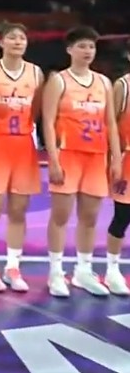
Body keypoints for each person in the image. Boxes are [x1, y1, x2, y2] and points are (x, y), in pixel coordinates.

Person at [42, 26, 121, 298]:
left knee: (89, 218)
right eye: (82, 46)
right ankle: (55, 272)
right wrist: (53, 159)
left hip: (96, 157)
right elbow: (48, 123)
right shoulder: (59, 81)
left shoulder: (104, 82)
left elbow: (110, 123)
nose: (88, 51)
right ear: (70, 49)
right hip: (68, 154)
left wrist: (116, 158)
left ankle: (83, 271)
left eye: (91, 47)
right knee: (61, 216)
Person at [0, 23, 43, 292]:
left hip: (24, 144)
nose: (18, 41)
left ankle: (13, 266)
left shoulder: (36, 73)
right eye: (12, 37)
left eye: (22, 38)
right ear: (1, 42)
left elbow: (36, 111)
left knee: (18, 210)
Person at [107, 51, 130, 296]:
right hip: (128, 158)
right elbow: (110, 123)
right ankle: (113, 270)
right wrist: (114, 158)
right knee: (123, 217)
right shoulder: (123, 85)